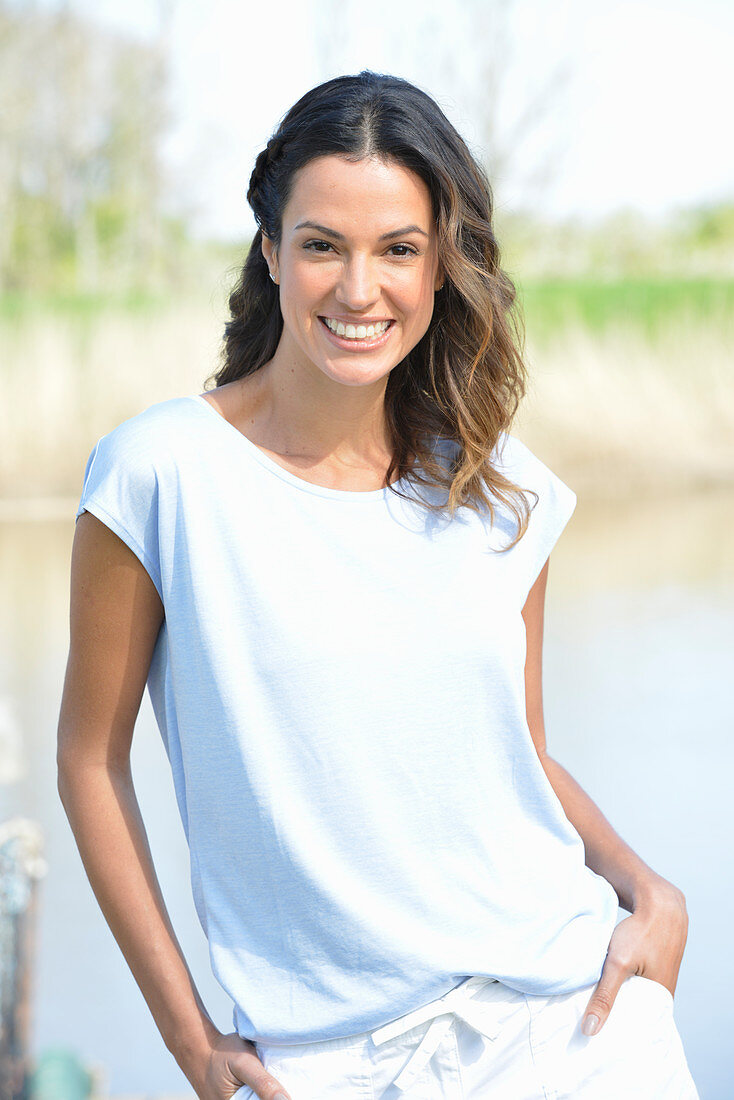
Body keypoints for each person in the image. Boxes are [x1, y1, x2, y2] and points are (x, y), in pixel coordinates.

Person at [57, 71, 699, 1099]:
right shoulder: (159, 473)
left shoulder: (498, 483)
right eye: (322, 245)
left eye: (398, 248)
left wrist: (644, 885)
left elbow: (516, 752)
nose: (359, 291)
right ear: (271, 253)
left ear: (441, 266)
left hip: (569, 1026)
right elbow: (90, 760)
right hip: (324, 1063)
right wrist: (189, 1038)